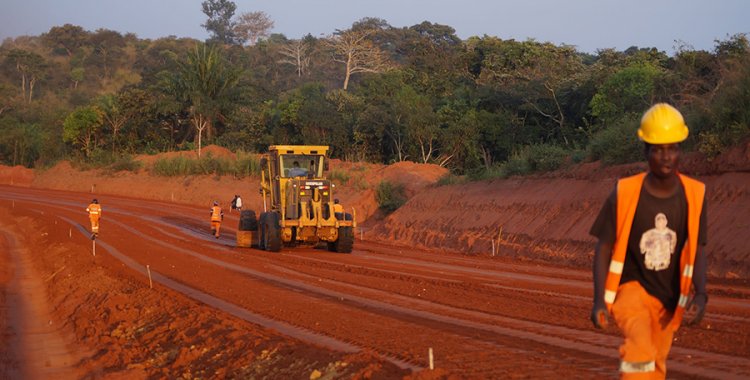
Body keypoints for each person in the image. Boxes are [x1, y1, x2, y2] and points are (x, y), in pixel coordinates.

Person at [589, 103, 708, 379]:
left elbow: (698, 248)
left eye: (672, 148)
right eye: (657, 149)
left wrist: (701, 294)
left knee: (656, 361)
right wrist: (598, 300)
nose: (665, 157)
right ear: (645, 152)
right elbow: (603, 246)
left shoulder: (695, 195)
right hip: (631, 291)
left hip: (670, 297)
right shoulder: (625, 192)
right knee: (640, 351)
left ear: (680, 150)